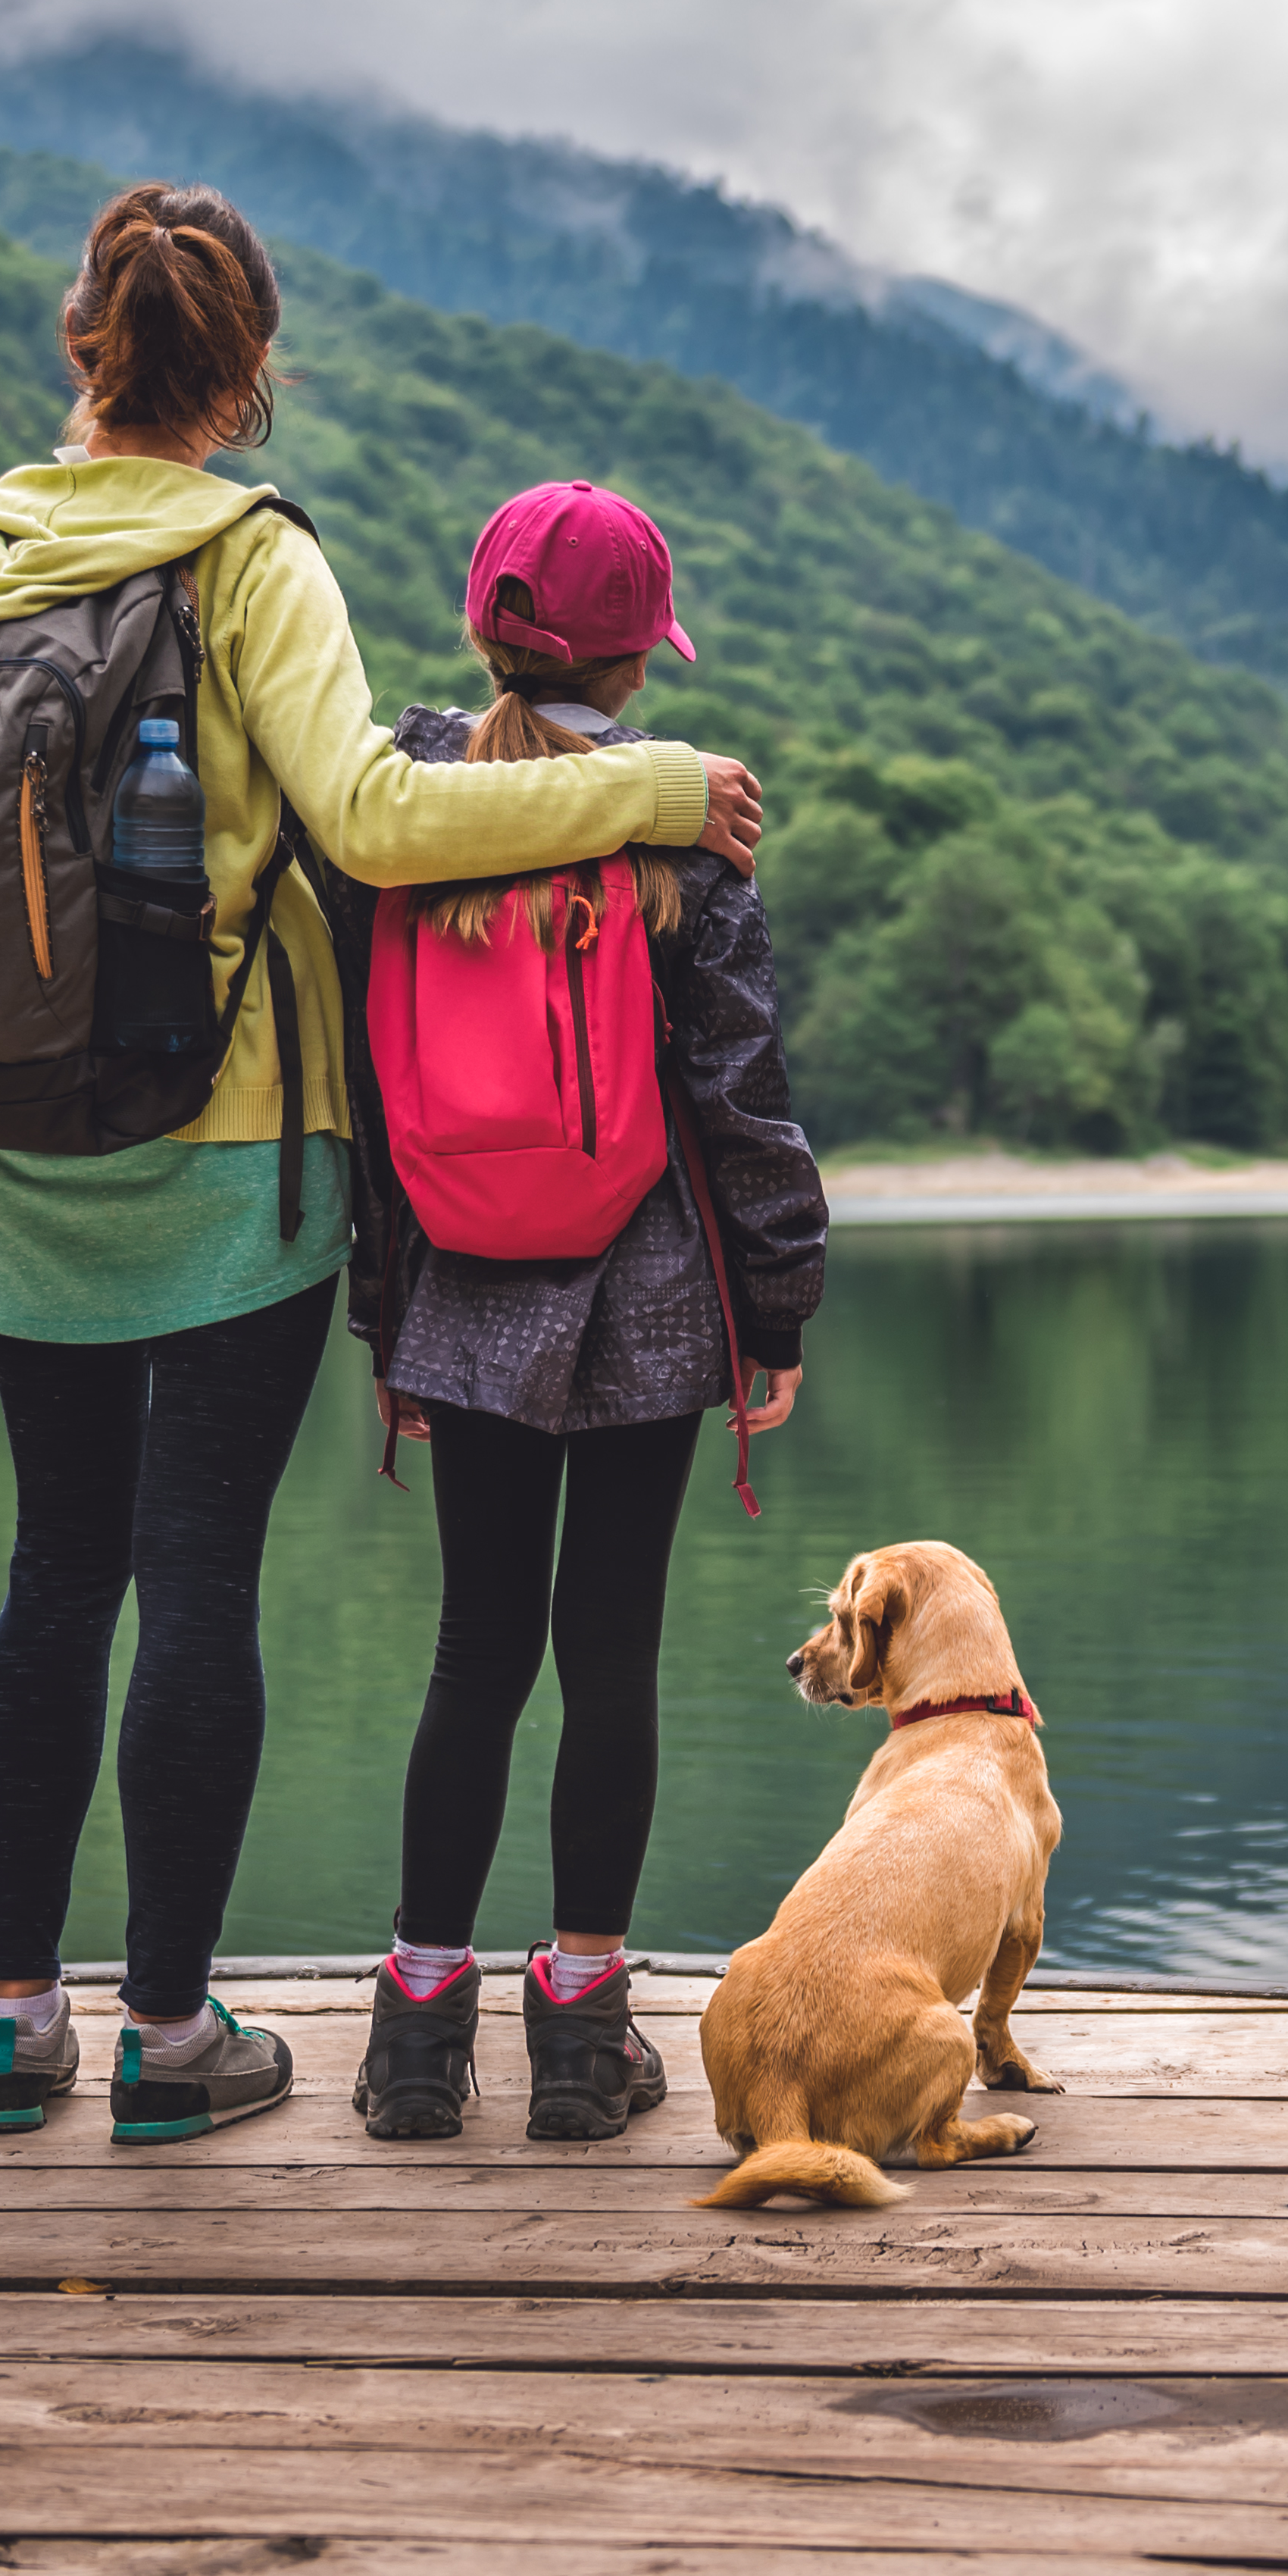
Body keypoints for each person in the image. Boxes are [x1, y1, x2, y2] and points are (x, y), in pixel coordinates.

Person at [0, 192, 767, 2146]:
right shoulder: (245, 552)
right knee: (194, 1571)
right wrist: (655, 785)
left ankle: (12, 2025)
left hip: (10, 1138)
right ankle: (166, 2038)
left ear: (80, 345)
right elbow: (375, 823)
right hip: (227, 1148)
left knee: (52, 1570)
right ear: (252, 370)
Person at [355, 482, 828, 2147]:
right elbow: (739, 1096)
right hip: (642, 1295)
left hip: (463, 1288)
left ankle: (415, 2031)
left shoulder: (402, 810)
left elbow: (371, 1098)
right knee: (606, 1651)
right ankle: (578, 2032)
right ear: (637, 662)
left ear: (483, 620)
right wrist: (775, 1310)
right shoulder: (686, 829)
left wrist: (382, 1324)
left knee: (471, 1649)